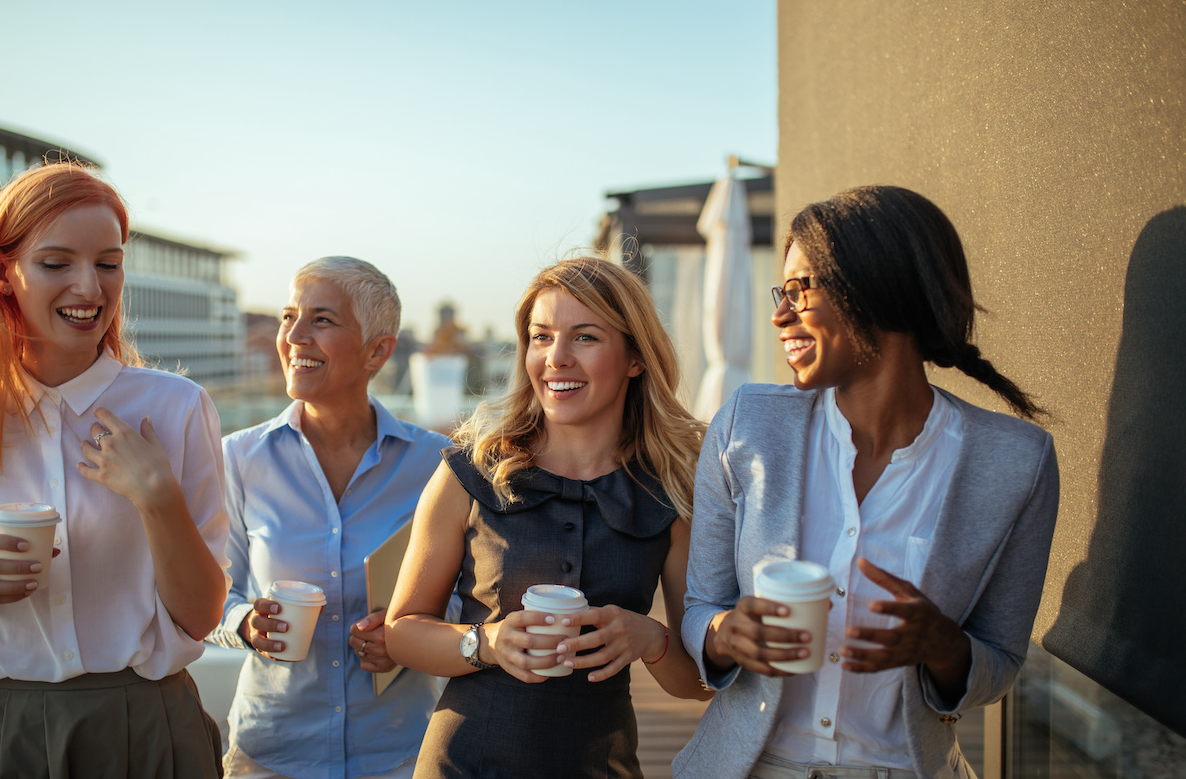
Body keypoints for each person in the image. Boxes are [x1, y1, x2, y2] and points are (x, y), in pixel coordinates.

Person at [674, 185, 1061, 779]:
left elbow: (1002, 662)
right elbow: (702, 606)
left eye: (802, 289)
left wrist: (942, 647)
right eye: (782, 291)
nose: (781, 313)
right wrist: (726, 637)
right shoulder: (746, 425)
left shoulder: (1016, 462)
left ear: (879, 285)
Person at [0, 162, 230, 777]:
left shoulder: (176, 407)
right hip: (0, 736)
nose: (90, 289)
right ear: (4, 274)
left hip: (147, 730)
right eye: (57, 264)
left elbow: (203, 615)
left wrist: (156, 497)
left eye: (108, 263)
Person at [385, 256, 710, 779]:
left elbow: (697, 683)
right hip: (463, 763)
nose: (556, 358)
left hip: (601, 766)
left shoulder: (670, 494)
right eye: (541, 337)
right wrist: (485, 642)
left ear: (635, 358)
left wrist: (651, 639)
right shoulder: (469, 473)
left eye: (584, 337)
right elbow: (400, 632)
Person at [207, 256, 452, 779]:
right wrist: (246, 625)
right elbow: (209, 593)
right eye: (288, 315)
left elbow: (472, 593)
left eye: (321, 320)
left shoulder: (437, 464)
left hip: (399, 753)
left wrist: (410, 640)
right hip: (271, 754)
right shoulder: (238, 459)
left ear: (378, 350)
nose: (294, 335)